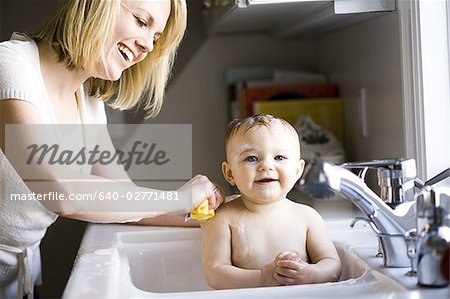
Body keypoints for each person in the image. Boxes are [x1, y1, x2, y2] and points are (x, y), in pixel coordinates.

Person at [0, 1, 223, 298]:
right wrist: (179, 198)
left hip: (20, 280)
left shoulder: (88, 103)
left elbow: (125, 200)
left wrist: (212, 212)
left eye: (155, 39)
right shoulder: (10, 66)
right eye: (142, 22)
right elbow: (59, 191)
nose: (146, 46)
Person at [201, 114, 341, 289]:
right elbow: (214, 273)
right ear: (230, 173)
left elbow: (332, 266)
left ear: (298, 171)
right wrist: (262, 278)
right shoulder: (222, 219)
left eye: (279, 158)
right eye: (251, 158)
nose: (266, 166)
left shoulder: (307, 217)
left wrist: (311, 274)